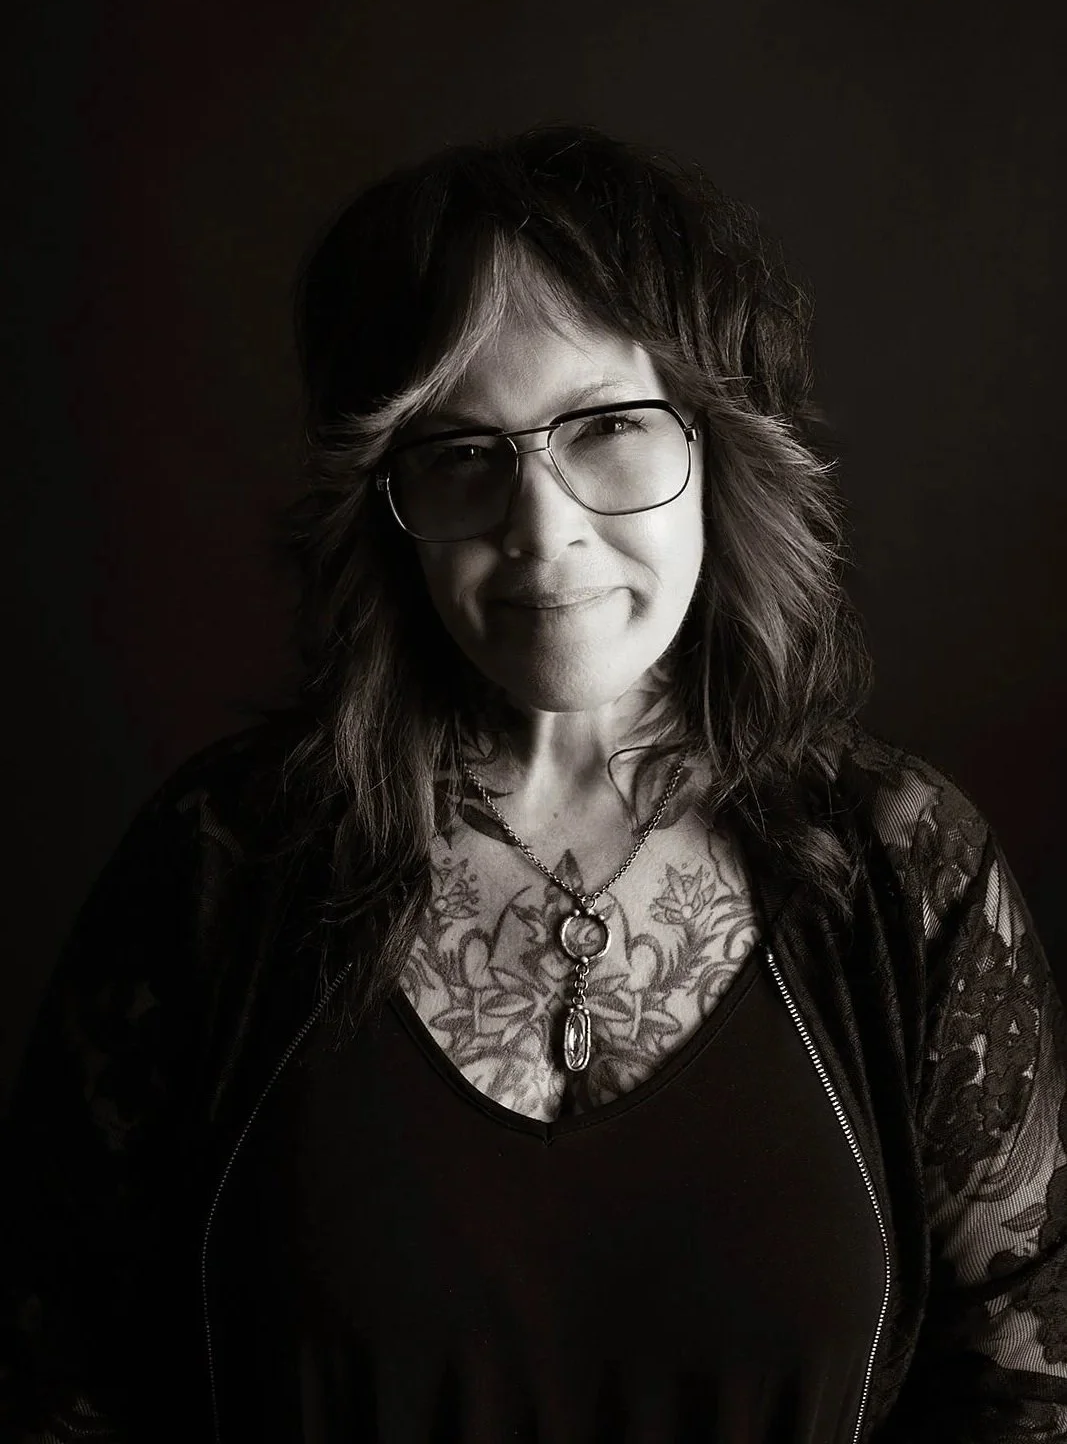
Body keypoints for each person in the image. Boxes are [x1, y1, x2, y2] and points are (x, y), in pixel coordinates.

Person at [2, 125, 1065, 1444]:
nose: (541, 529)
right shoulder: (224, 860)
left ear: (720, 446)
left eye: (606, 428)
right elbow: (53, 1374)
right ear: (382, 501)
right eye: (461, 451)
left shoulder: (905, 869)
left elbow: (1027, 1392)